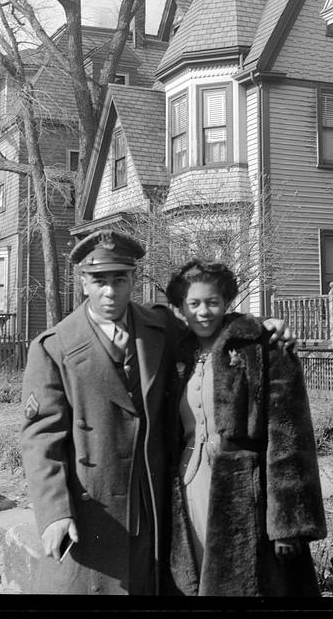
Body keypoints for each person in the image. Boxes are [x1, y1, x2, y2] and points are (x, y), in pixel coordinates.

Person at [19, 229, 294, 595]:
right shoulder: (53, 347)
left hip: (150, 506)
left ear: (133, 280)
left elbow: (207, 320)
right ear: (83, 283)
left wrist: (261, 328)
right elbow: (40, 439)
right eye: (100, 281)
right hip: (91, 509)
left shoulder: (159, 326)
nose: (110, 292)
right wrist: (55, 512)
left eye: (119, 279)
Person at [165, 259, 327, 597]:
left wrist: (288, 525)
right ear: (181, 308)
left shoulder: (260, 346)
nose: (204, 312)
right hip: (188, 487)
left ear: (226, 302)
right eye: (193, 304)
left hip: (245, 493)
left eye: (212, 302)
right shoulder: (176, 353)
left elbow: (289, 434)